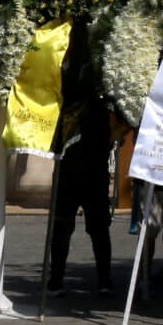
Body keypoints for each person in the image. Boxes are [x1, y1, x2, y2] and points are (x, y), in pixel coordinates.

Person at [47, 96, 119, 296]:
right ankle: (56, 279)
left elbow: (110, 137)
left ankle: (104, 279)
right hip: (69, 172)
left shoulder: (102, 101)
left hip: (92, 172)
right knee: (63, 228)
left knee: (98, 229)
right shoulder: (67, 100)